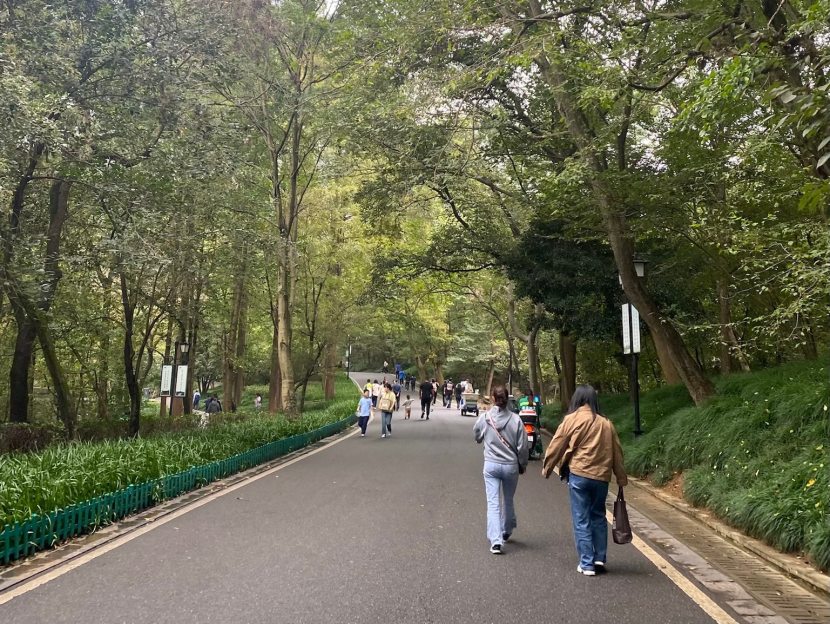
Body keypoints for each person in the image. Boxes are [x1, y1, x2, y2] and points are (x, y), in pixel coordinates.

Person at [543, 385, 628, 576]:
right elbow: (617, 452)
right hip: (601, 477)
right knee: (598, 515)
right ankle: (599, 558)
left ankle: (587, 563)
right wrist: (621, 478)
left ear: (578, 399)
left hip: (579, 475)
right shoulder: (606, 423)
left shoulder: (571, 419)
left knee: (581, 518)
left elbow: (557, 444)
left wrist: (548, 468)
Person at [474, 385, 528, 554]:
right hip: (511, 465)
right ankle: (507, 530)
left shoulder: (485, 418)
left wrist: (482, 438)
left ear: (493, 399)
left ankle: (495, 542)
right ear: (507, 399)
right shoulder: (516, 420)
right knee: (508, 499)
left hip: (491, 465)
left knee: (493, 503)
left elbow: (477, 435)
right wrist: (522, 464)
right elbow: (523, 447)